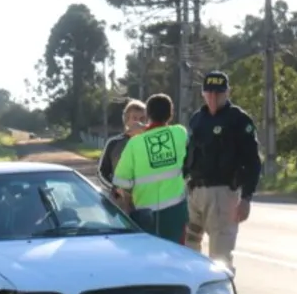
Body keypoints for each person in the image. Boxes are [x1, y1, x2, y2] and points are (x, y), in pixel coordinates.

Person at [183, 71, 262, 271]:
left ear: (227, 92)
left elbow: (253, 161)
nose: (213, 97)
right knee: (189, 250)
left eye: (218, 93)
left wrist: (246, 198)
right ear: (202, 93)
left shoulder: (238, 120)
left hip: (223, 193)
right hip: (195, 193)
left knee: (220, 257)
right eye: (208, 92)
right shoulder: (197, 119)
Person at [112, 93, 189, 244]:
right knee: (177, 256)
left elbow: (121, 182)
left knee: (149, 257)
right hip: (176, 212)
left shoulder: (134, 143)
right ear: (171, 114)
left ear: (147, 115)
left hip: (146, 215)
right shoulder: (180, 132)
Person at [97, 99, 147, 210]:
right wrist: (114, 189)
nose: (139, 123)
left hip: (146, 202)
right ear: (126, 120)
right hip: (120, 204)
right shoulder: (114, 143)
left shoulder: (151, 143)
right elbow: (101, 173)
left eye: (142, 119)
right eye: (134, 118)